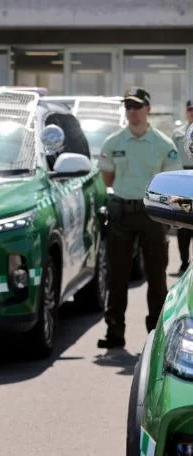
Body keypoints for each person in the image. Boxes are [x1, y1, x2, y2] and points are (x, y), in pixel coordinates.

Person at [96, 87, 182, 349]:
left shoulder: (163, 145)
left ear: (148, 109)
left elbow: (171, 183)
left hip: (152, 214)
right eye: (128, 107)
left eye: (137, 106)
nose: (132, 111)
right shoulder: (114, 142)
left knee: (156, 276)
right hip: (121, 213)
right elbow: (108, 178)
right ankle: (114, 332)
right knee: (117, 275)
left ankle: (156, 333)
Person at [170, 100, 193, 276]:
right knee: (183, 225)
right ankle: (184, 262)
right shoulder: (178, 133)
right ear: (186, 111)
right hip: (183, 180)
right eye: (190, 110)